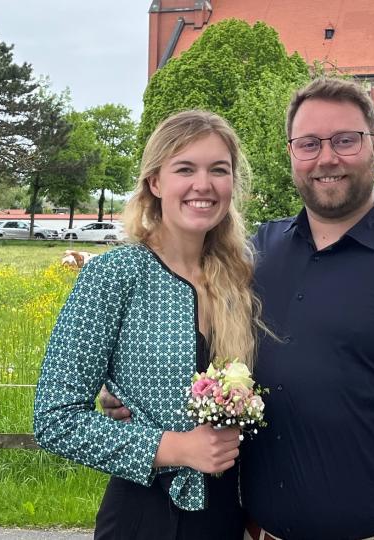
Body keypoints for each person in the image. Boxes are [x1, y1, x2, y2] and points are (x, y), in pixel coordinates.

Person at [102, 78, 374, 540]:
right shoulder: (251, 258)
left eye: (345, 140)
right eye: (309, 143)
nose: (326, 158)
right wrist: (138, 391)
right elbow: (209, 360)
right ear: (292, 153)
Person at [33, 110, 265, 539]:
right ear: (155, 183)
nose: (203, 184)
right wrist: (175, 447)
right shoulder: (116, 275)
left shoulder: (242, 278)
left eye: (219, 169)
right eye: (185, 169)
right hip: (145, 516)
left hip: (226, 518)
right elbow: (55, 419)